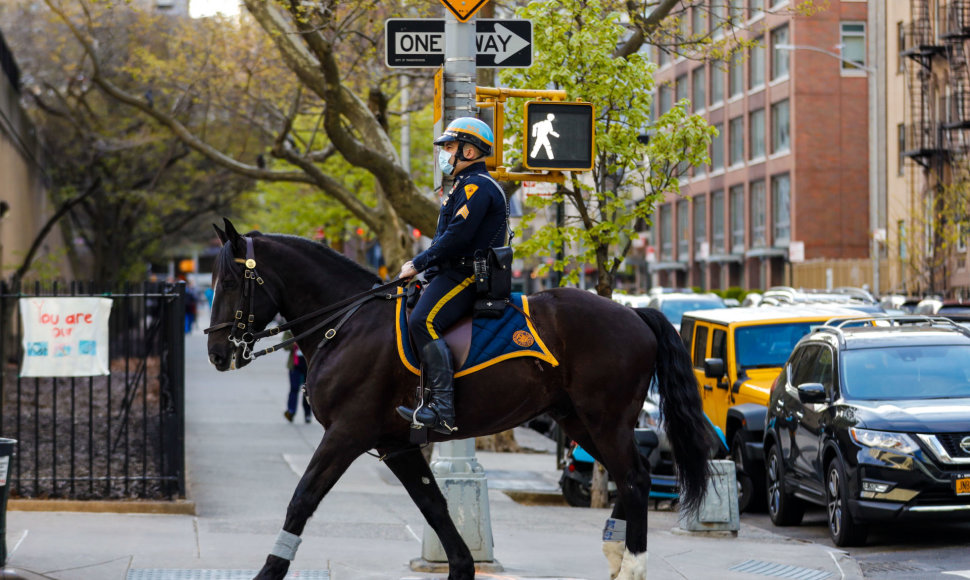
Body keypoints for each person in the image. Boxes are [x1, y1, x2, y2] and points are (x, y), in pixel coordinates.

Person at [395, 117, 508, 434]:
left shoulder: (478, 187)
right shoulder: (462, 186)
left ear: (469, 152)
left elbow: (456, 238)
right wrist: (426, 271)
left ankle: (443, 410)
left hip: (468, 275)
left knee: (422, 321)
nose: (443, 153)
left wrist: (417, 263)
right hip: (450, 272)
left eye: (449, 147)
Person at [284, 337, 312, 423]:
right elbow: (285, 346)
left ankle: (308, 414)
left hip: (308, 364)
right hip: (294, 364)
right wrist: (294, 343)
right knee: (294, 388)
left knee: (307, 390)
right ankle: (291, 411)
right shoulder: (289, 331)